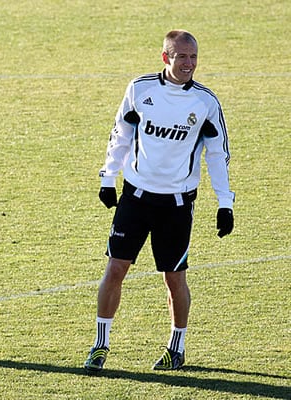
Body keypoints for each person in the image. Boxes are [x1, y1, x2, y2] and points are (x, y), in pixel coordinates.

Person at [84, 30, 234, 372]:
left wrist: (225, 203)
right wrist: (108, 177)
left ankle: (176, 348)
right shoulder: (141, 89)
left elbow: (217, 154)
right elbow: (120, 133)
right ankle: (100, 345)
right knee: (115, 269)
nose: (189, 63)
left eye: (193, 57)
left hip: (177, 205)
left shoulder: (206, 103)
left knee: (174, 278)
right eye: (182, 57)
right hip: (135, 199)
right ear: (165, 57)